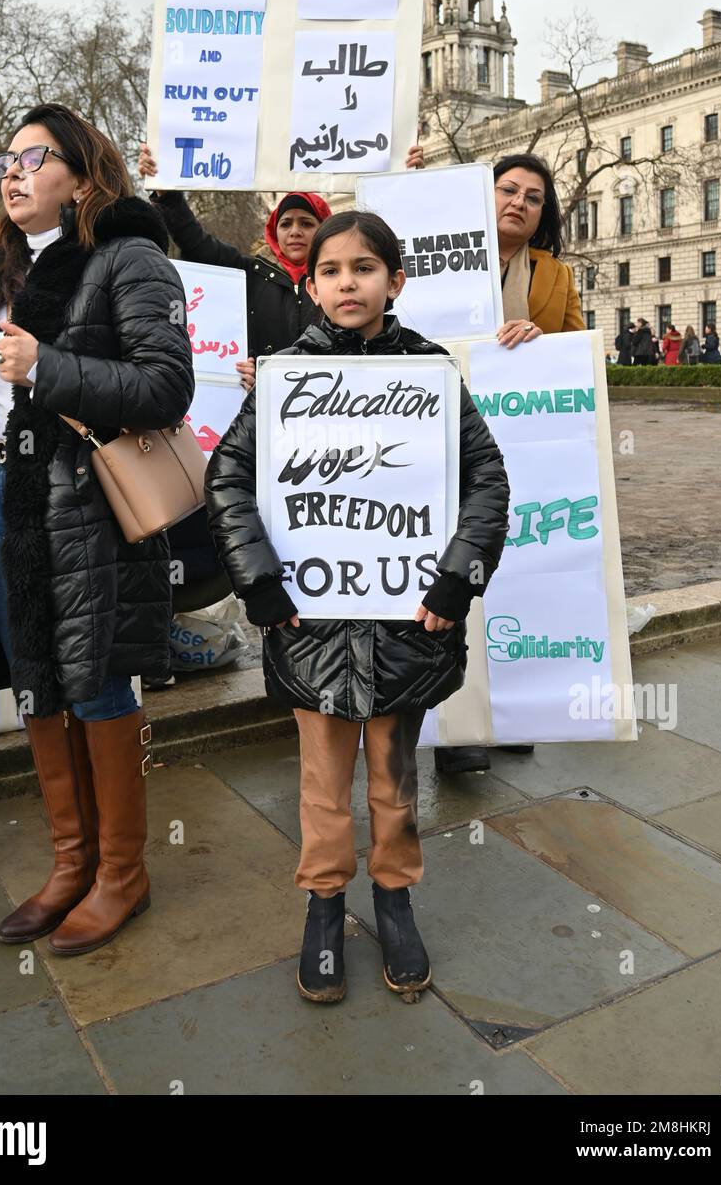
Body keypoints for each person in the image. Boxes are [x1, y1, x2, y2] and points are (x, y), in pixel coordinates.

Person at [204, 210, 510, 1002]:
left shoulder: (432, 372)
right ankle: (324, 902)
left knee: (394, 780)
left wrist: (457, 578)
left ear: (394, 281)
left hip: (408, 629)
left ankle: (395, 896)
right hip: (312, 630)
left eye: (365, 268)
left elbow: (486, 482)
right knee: (320, 781)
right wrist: (259, 583)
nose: (349, 282)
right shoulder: (282, 379)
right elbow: (229, 482)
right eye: (332, 270)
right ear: (312, 285)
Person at [0, 103, 194, 957]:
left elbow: (163, 387)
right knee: (36, 675)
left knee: (96, 683)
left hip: (87, 512)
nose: (12, 171)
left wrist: (48, 366)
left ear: (81, 173)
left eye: (33, 156)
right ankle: (69, 862)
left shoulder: (128, 258)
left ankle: (123, 873)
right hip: (1, 505)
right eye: (5, 158)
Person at [408, 147, 585, 772]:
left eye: (533, 198)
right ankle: (456, 727)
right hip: (440, 439)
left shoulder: (554, 275)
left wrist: (541, 343)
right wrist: (414, 179)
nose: (518, 202)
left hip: (521, 443)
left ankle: (508, 711)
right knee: (454, 570)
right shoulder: (439, 261)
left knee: (515, 576)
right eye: (508, 189)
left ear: (543, 214)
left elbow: (578, 355)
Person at [138, 143, 331, 390]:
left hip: (329, 405)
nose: (294, 232)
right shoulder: (249, 273)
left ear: (323, 228)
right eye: (285, 224)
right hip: (261, 404)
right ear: (274, 231)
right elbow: (196, 243)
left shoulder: (338, 281)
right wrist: (167, 193)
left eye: (306, 223)